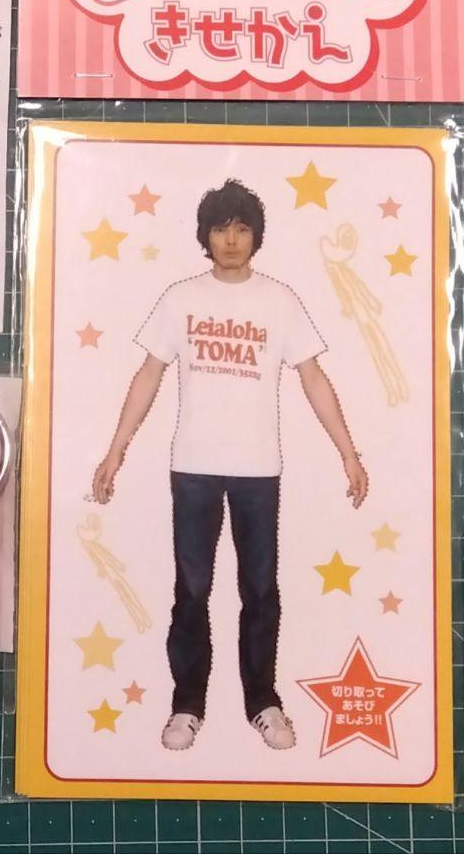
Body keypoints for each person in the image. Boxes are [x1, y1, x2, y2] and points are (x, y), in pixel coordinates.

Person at [91, 179, 368, 751]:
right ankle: (186, 705)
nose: (233, 239)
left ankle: (262, 701)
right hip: (193, 467)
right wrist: (117, 448)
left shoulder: (280, 300)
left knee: (260, 590)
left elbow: (313, 378)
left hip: (258, 470)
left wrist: (349, 452)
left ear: (257, 235)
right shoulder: (180, 298)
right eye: (221, 229)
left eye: (243, 228)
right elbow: (149, 374)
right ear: (206, 236)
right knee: (191, 590)